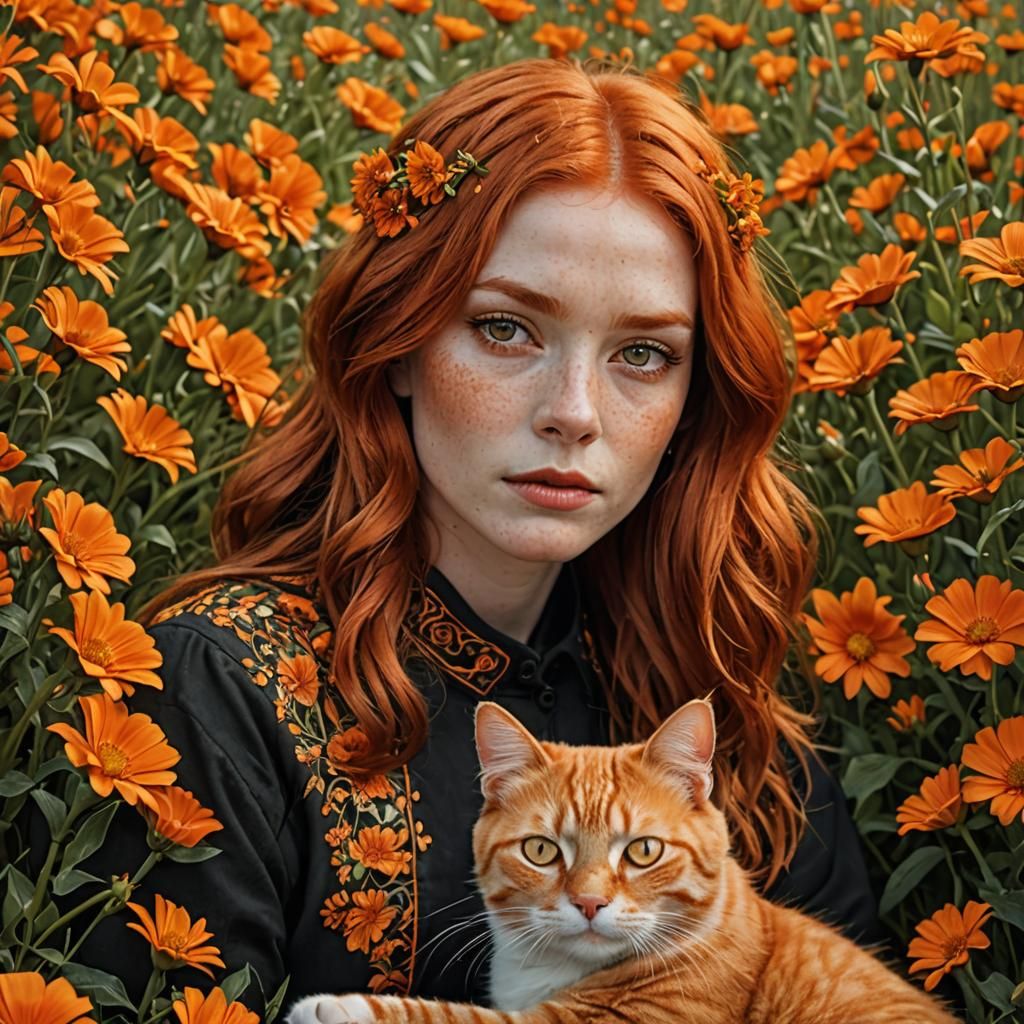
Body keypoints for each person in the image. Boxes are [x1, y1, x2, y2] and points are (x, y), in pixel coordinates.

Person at [35, 56, 881, 1013]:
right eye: (507, 329)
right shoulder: (221, 689)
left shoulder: (718, 692)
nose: (575, 412)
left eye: (643, 353)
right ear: (394, 343)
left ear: (695, 400)